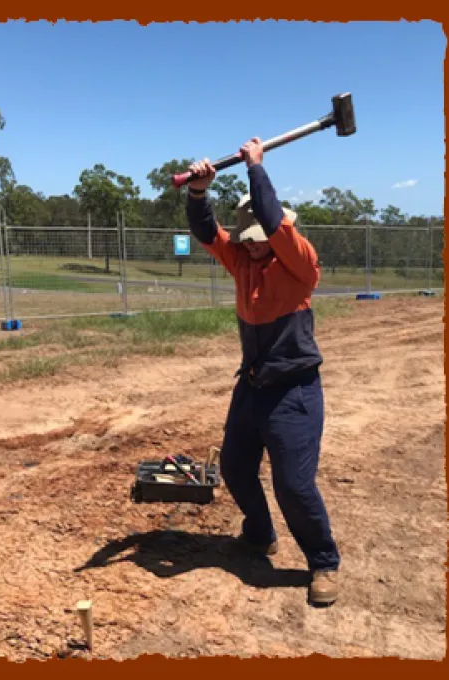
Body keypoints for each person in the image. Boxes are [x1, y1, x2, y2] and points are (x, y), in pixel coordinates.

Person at [184, 138, 340, 607]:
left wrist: (255, 169)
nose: (249, 252)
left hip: (294, 390)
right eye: (246, 244)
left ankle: (323, 562)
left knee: (293, 484)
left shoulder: (299, 264)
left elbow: (272, 223)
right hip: (252, 386)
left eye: (259, 244)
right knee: (234, 466)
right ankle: (259, 533)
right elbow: (209, 232)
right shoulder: (242, 261)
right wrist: (198, 192)